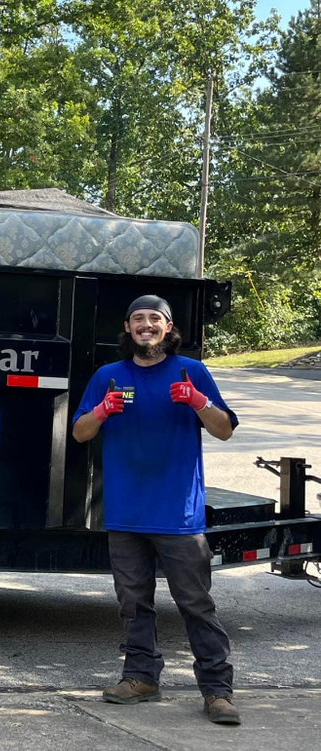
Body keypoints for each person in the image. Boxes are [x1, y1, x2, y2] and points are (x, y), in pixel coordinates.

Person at [72, 295, 240, 726]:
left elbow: (224, 430)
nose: (146, 325)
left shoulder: (192, 371)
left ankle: (217, 690)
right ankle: (141, 677)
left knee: (196, 604)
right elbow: (79, 433)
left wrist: (198, 402)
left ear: (168, 328)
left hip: (178, 515)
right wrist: (103, 409)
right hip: (126, 513)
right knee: (133, 604)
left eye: (155, 319)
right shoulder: (109, 377)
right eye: (138, 319)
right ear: (128, 328)